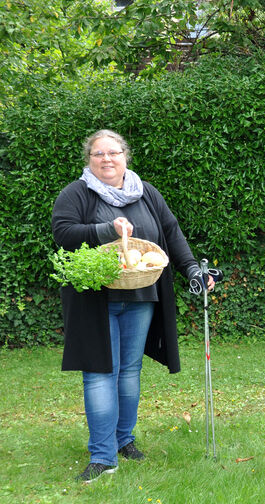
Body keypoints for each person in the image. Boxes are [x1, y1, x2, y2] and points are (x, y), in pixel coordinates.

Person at [52, 129, 216, 483]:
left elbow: (171, 233)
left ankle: (124, 440)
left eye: (113, 152)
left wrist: (191, 269)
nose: (106, 159)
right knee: (99, 372)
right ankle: (102, 455)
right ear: (89, 159)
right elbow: (63, 232)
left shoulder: (145, 192)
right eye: (98, 154)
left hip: (141, 295)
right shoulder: (76, 193)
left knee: (129, 371)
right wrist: (105, 230)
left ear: (125, 155)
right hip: (94, 298)